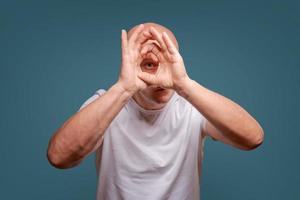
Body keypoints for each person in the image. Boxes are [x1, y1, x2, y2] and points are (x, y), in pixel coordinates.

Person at [47, 22, 264, 200]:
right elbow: (59, 157)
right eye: (149, 64)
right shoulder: (108, 102)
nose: (161, 73)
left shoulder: (191, 105)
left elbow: (252, 138)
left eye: (167, 60)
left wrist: (184, 85)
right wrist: (124, 88)